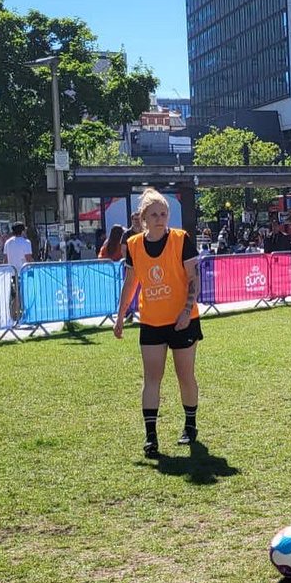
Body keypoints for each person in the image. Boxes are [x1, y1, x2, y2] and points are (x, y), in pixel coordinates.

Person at [113, 188, 202, 457]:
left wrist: (186, 311)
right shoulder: (134, 245)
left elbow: (193, 279)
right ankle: (151, 437)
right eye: (154, 214)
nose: (160, 219)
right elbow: (131, 283)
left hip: (183, 321)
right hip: (151, 321)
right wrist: (120, 316)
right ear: (143, 218)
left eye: (163, 214)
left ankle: (190, 425)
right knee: (152, 378)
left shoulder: (181, 239)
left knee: (185, 376)